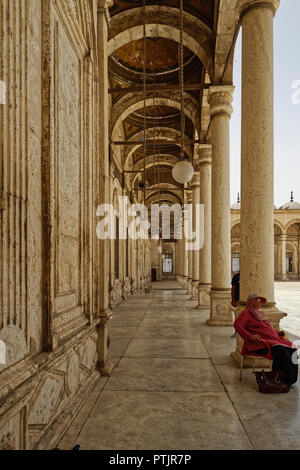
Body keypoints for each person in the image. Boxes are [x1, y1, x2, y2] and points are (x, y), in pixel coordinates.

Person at [234, 293, 298, 390]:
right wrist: (250, 336)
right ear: (251, 301)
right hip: (259, 344)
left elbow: (267, 329)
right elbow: (237, 325)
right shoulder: (247, 313)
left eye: (261, 301)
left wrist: (277, 333)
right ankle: (278, 377)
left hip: (271, 341)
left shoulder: (258, 314)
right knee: (281, 351)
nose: (261, 303)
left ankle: (290, 379)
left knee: (292, 348)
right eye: (259, 300)